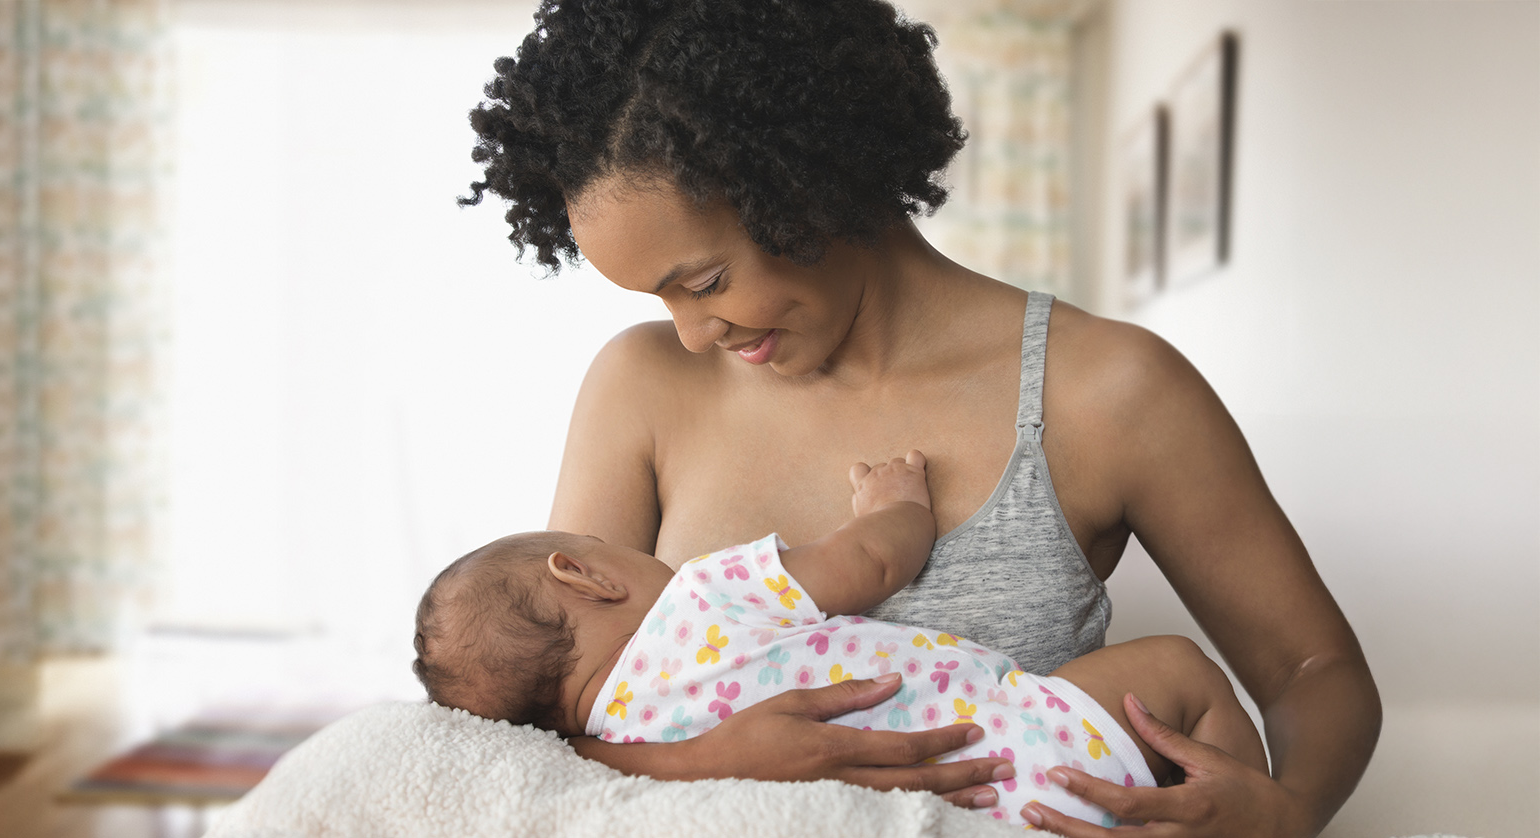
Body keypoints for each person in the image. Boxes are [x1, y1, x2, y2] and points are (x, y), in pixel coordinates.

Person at [461, 1, 1380, 834]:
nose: (693, 333)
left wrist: (1287, 813)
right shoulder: (641, 387)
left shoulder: (1107, 391)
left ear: (809, 181)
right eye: (659, 298)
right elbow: (532, 722)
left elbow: (1315, 674)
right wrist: (698, 765)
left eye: (705, 283)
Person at [412, 451, 1269, 828]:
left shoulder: (612, 748)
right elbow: (870, 561)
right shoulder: (704, 595)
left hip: (980, 819)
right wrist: (893, 501)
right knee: (1180, 668)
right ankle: (1231, 809)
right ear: (585, 576)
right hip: (1028, 744)